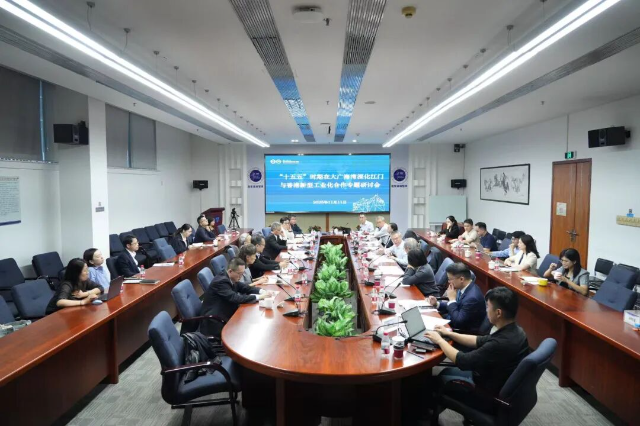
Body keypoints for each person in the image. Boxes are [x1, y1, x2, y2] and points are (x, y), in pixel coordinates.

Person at [425, 287, 530, 410]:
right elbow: (478, 340)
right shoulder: (516, 331)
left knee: (433, 383)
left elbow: (463, 361)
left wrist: (439, 340)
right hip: (496, 382)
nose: (486, 310)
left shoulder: (499, 343)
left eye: (488, 307)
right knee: (442, 375)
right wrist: (449, 334)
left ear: (498, 313)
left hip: (485, 396)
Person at [200, 258, 273, 337]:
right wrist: (260, 297)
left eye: (242, 273)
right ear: (230, 271)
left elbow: (244, 287)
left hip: (227, 312)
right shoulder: (221, 282)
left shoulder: (230, 277)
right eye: (239, 274)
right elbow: (235, 298)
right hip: (215, 321)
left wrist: (262, 291)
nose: (241, 276)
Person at [427, 262, 486, 332]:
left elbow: (458, 322)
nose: (448, 282)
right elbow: (456, 306)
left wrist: (452, 299)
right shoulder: (463, 287)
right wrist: (437, 304)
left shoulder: (472, 298)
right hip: (451, 319)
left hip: (460, 331)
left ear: (461, 279)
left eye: (450, 279)